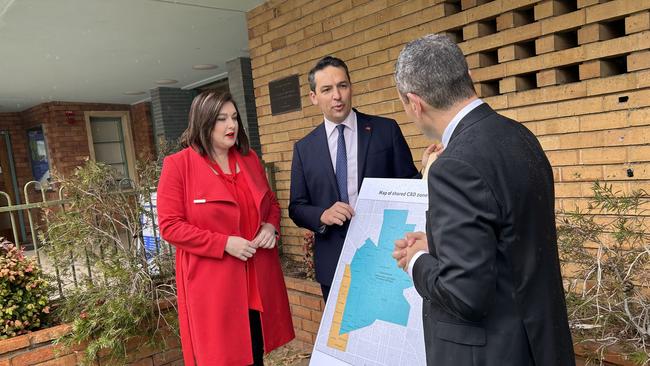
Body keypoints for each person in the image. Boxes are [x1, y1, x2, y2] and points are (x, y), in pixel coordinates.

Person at [392, 34, 575, 366]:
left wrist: (417, 260)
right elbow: (508, 236)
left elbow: (466, 295)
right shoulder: (520, 135)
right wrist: (437, 243)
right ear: (468, 78)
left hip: (491, 353)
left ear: (414, 102)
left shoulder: (453, 167)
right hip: (540, 342)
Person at [157, 91, 294, 365]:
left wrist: (270, 226)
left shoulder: (249, 159)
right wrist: (224, 243)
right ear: (204, 122)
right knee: (222, 357)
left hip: (255, 281)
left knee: (255, 354)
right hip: (213, 288)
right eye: (222, 119)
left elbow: (271, 205)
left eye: (234, 118)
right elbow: (170, 226)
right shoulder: (178, 166)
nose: (231, 126)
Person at [289, 56, 421, 302]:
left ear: (351, 87)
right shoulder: (304, 149)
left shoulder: (385, 130)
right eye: (327, 90)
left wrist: (430, 171)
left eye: (342, 86)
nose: (336, 96)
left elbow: (410, 183)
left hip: (386, 255)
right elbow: (296, 207)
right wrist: (322, 215)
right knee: (341, 337)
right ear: (314, 97)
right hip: (334, 261)